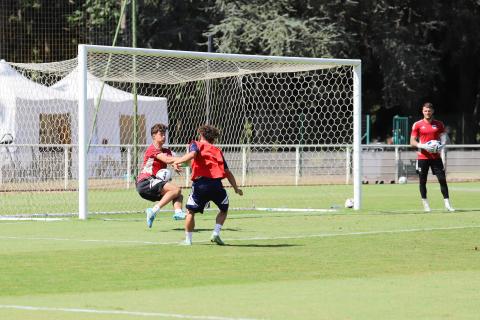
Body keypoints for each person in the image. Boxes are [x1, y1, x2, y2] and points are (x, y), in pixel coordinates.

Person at [173, 125, 243, 245]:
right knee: (224, 209)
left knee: (190, 211)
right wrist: (236, 188)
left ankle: (188, 240)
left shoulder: (196, 144)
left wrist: (176, 161)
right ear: (213, 139)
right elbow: (227, 172)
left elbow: (192, 155)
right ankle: (216, 233)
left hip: (201, 184)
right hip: (216, 185)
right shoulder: (217, 151)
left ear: (200, 135)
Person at [136, 123, 186, 228]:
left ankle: (177, 212)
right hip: (145, 182)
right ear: (154, 136)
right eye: (161, 134)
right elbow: (167, 159)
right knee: (176, 190)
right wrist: (185, 159)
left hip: (153, 183)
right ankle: (153, 211)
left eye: (164, 134)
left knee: (178, 194)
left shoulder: (166, 151)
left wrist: (175, 165)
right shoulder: (152, 149)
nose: (164, 136)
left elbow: (171, 160)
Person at [410, 102, 454, 212]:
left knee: (442, 180)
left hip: (436, 158)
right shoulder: (417, 124)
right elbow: (412, 141)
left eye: (429, 111)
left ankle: (447, 204)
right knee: (422, 181)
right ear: (422, 111)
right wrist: (423, 145)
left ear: (432, 111)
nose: (427, 113)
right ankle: (425, 204)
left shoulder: (439, 124)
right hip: (422, 157)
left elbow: (443, 137)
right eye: (425, 111)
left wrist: (442, 145)